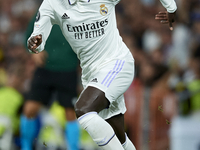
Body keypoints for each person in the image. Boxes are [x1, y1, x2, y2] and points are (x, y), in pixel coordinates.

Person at [27, 0, 177, 149]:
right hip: (92, 74)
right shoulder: (52, 4)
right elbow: (36, 38)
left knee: (83, 110)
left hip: (117, 63)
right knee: (119, 137)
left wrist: (171, 8)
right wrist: (35, 43)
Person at [20, 12, 80, 150]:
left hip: (68, 69)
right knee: (29, 109)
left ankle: (73, 148)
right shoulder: (44, 10)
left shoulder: (79, 11)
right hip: (44, 68)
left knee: (70, 113)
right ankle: (26, 147)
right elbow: (29, 36)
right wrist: (34, 51)